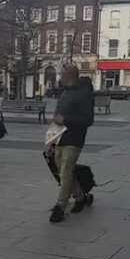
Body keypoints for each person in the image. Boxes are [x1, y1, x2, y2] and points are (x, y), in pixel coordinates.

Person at [49, 66, 94, 223]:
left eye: (62, 74)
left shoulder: (84, 94)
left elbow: (88, 120)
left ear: (70, 76)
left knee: (66, 170)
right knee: (62, 171)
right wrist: (52, 134)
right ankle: (80, 196)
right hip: (60, 137)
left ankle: (60, 206)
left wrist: (66, 120)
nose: (60, 77)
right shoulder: (66, 91)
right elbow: (59, 114)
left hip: (74, 139)